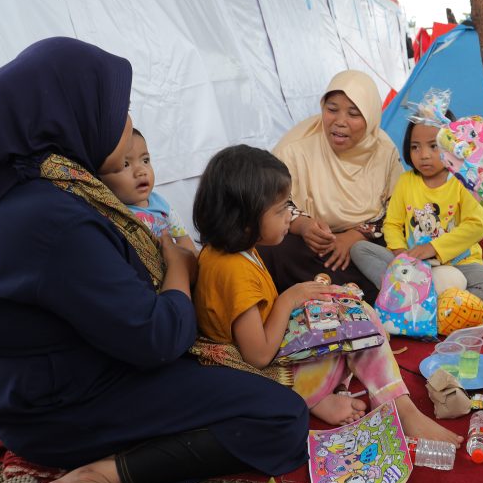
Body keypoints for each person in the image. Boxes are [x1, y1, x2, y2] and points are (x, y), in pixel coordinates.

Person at [0, 37, 309, 483]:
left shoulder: (42, 192)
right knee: (280, 414)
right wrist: (179, 269)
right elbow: (159, 340)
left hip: (45, 391)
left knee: (230, 386)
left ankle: (48, 468)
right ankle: (97, 480)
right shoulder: (53, 218)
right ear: (71, 115)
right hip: (60, 411)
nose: (127, 125)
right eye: (117, 110)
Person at [192, 145, 462, 444]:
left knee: (350, 310)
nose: (289, 216)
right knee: (362, 329)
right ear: (244, 219)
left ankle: (332, 396)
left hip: (272, 356)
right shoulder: (234, 271)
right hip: (271, 378)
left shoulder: (229, 251)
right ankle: (396, 408)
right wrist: (290, 299)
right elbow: (258, 356)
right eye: (281, 210)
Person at [257, 70, 403, 302]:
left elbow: (397, 206)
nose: (340, 122)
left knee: (390, 250)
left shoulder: (385, 151)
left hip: (363, 244)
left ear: (371, 117)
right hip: (309, 243)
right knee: (271, 248)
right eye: (332, 109)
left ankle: (336, 293)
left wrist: (356, 236)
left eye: (353, 114)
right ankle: (344, 294)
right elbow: (271, 202)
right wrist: (303, 225)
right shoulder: (296, 147)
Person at [351, 115, 483, 310]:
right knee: (359, 249)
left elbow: (476, 225)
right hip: (414, 268)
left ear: (454, 146)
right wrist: (401, 254)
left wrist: (434, 248)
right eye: (415, 147)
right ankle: (413, 295)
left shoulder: (463, 180)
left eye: (433, 146)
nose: (424, 155)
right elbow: (392, 224)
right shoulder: (405, 181)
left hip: (460, 265)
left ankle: (422, 301)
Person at [98, 126, 196, 251]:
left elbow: (185, 242)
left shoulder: (162, 205)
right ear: (100, 176)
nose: (141, 171)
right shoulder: (111, 215)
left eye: (145, 160)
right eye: (125, 164)